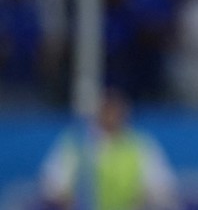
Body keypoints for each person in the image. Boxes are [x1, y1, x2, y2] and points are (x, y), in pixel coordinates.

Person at [40, 89, 179, 210]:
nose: (112, 115)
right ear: (98, 112)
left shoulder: (140, 145)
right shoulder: (76, 144)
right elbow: (52, 186)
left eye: (117, 111)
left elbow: (162, 187)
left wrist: (146, 198)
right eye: (108, 110)